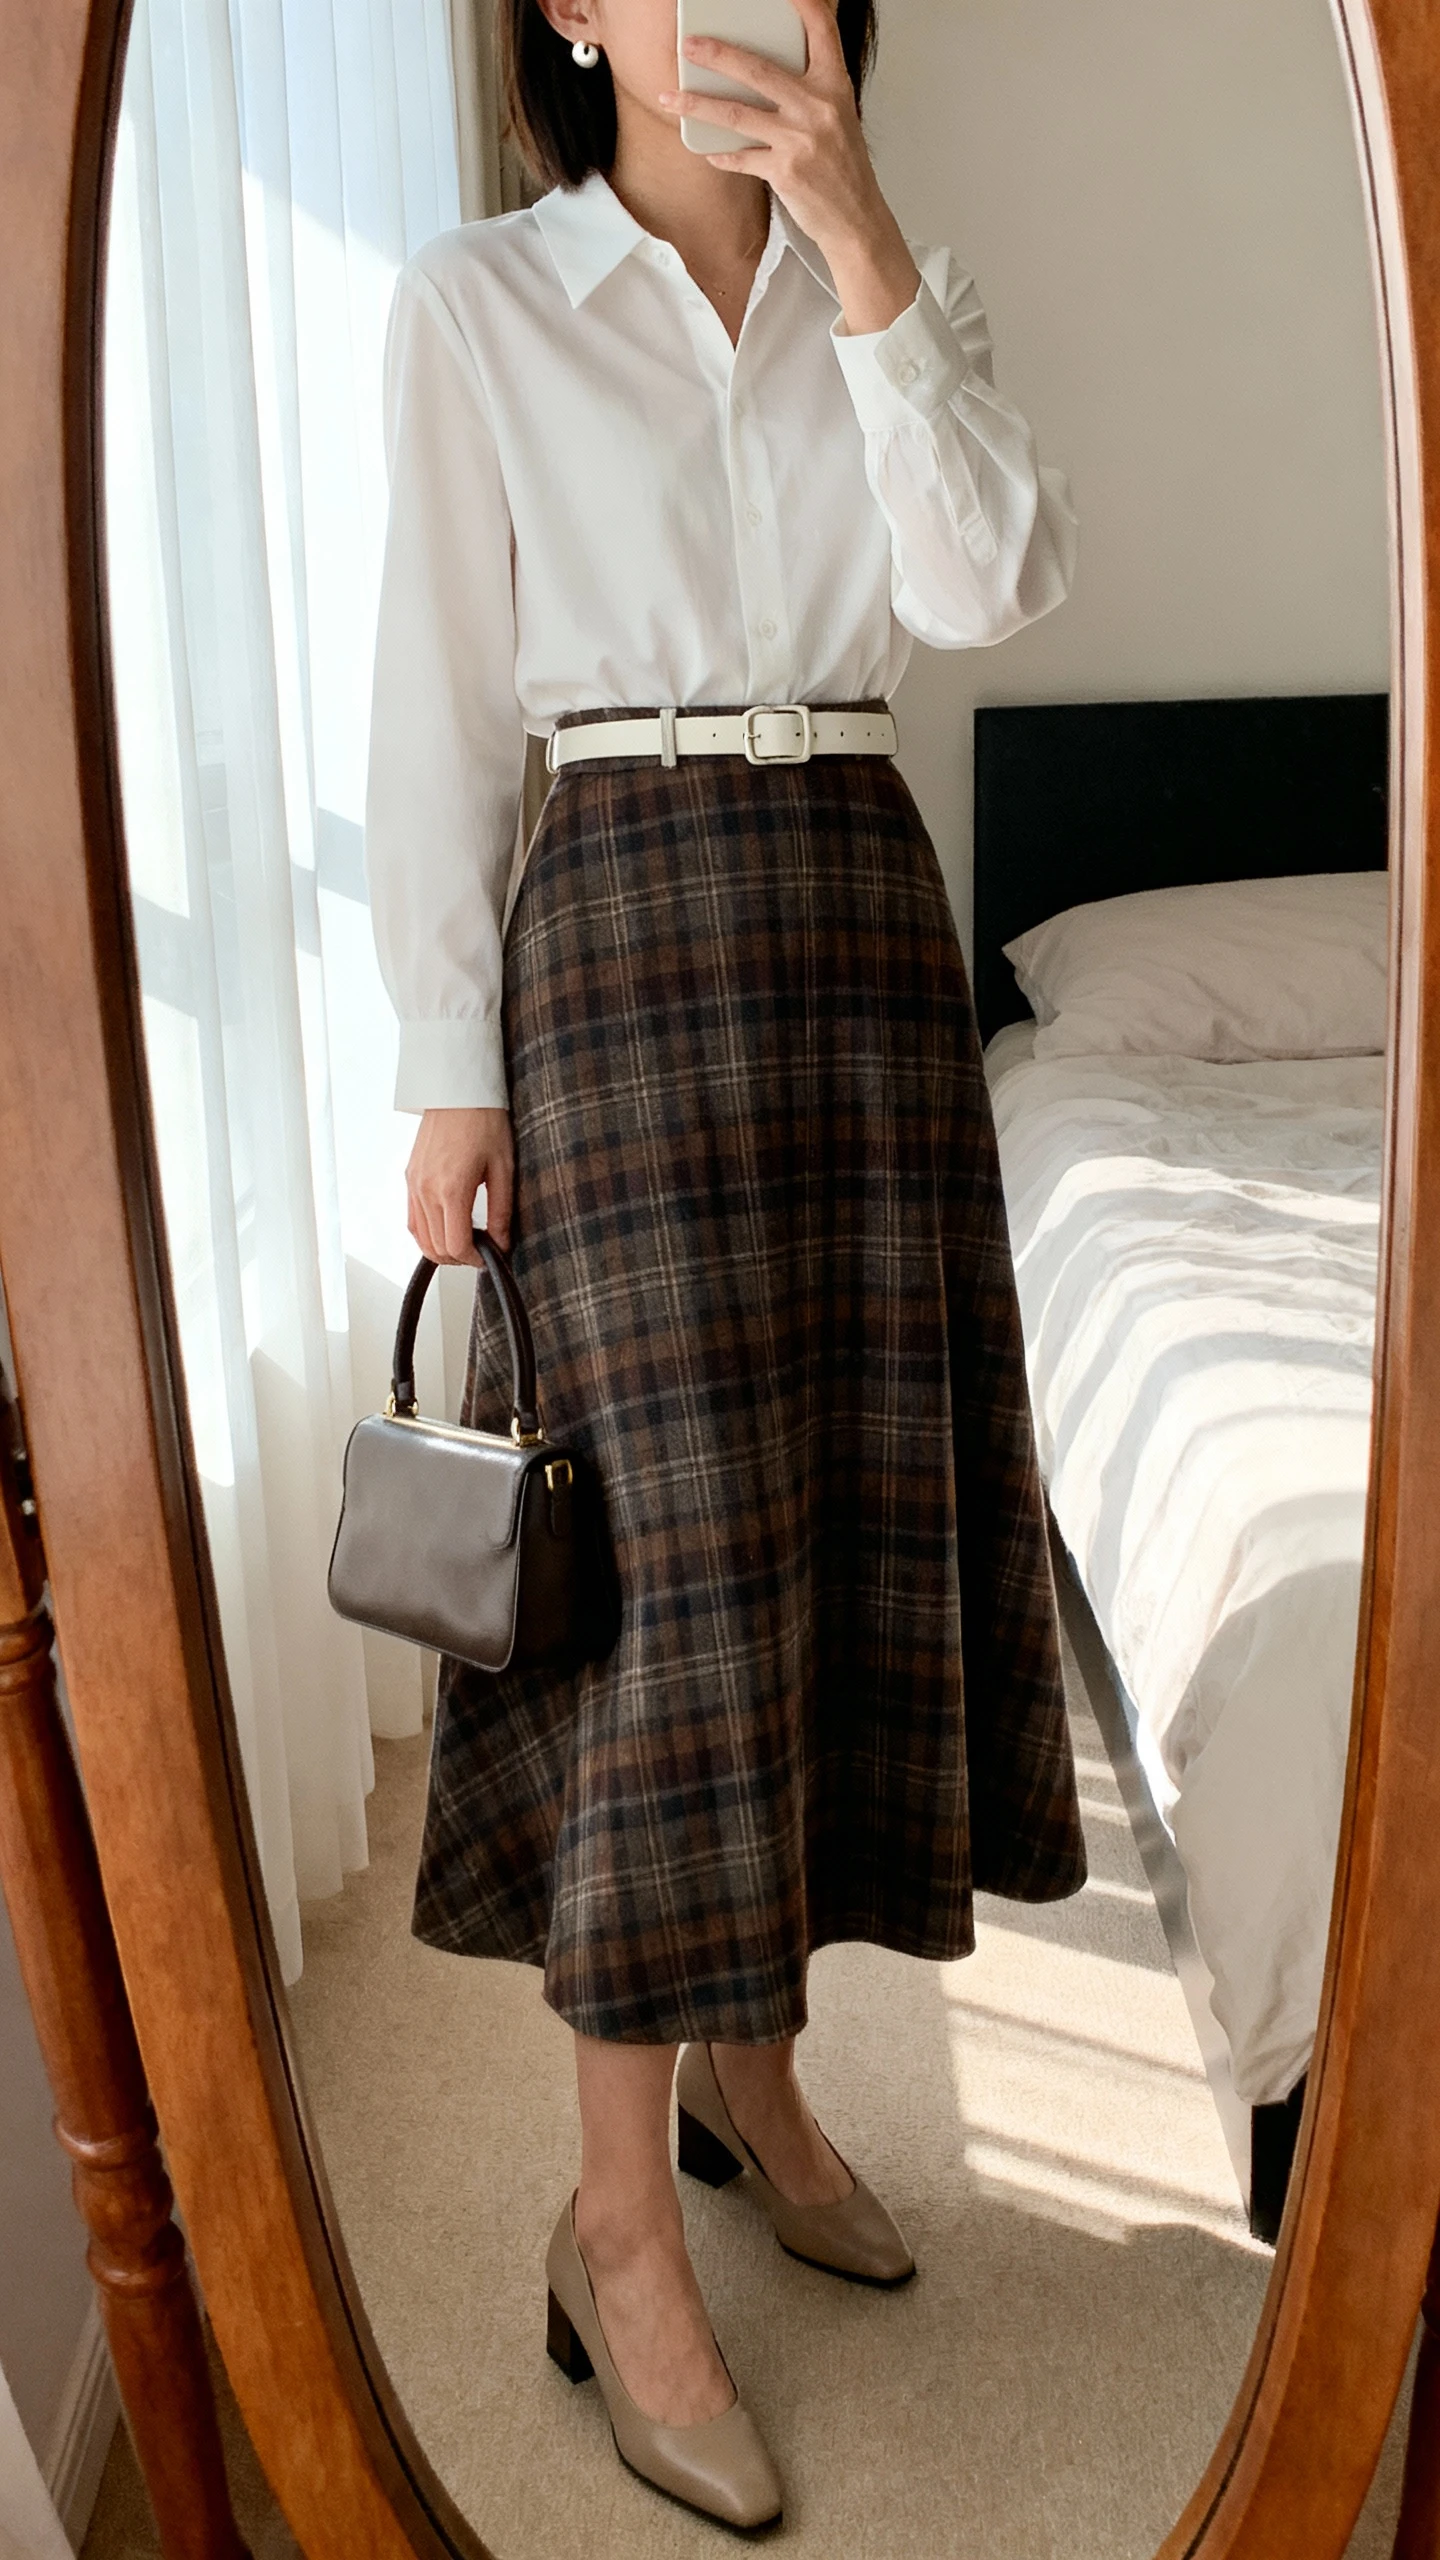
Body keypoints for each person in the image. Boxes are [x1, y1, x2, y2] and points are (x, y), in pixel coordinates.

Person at [362, 0, 1086, 2524]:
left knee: (828, 1536)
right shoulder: (482, 302)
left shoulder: (899, 280)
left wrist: (876, 252)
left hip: (859, 919)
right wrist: (451, 1064)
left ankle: (755, 2069)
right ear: (573, 9)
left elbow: (993, 582)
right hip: (623, 924)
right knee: (663, 1584)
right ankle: (606, 2214)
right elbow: (435, 709)